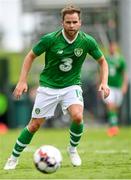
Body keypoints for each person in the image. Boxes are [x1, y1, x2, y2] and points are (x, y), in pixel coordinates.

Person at [4, 5, 110, 170]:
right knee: (34, 125)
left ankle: (72, 149)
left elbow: (102, 61)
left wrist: (104, 82)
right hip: (48, 87)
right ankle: (13, 157)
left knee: (77, 117)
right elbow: (30, 56)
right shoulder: (50, 39)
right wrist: (22, 81)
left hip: (71, 86)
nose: (71, 25)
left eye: (75, 22)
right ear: (62, 22)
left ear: (80, 22)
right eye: (68, 22)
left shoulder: (87, 41)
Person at [103, 42, 128, 137]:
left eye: (114, 47)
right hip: (108, 87)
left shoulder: (120, 60)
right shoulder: (106, 59)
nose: (112, 49)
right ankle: (113, 127)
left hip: (118, 87)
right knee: (110, 105)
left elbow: (124, 74)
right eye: (111, 47)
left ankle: (113, 124)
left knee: (115, 107)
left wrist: (124, 86)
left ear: (116, 48)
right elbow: (100, 72)